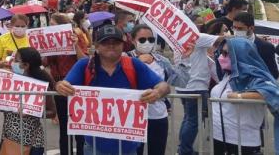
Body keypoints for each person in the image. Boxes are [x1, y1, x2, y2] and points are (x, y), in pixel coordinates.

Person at [56, 25, 170, 155]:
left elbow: (164, 86)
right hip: (94, 146)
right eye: (105, 42)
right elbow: (65, 83)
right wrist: (60, 86)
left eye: (116, 42)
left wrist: (158, 92)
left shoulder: (134, 64)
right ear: (97, 47)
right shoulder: (85, 65)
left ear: (122, 45)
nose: (111, 46)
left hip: (128, 147)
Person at [128, 25, 187, 155]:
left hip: (157, 116)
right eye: (142, 40)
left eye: (151, 39)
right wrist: (136, 62)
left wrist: (185, 58)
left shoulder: (162, 61)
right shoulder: (124, 59)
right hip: (131, 117)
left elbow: (182, 81)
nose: (147, 43)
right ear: (133, 40)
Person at [211, 39, 266, 155]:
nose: (222, 56)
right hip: (219, 137)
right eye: (222, 52)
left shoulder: (255, 76)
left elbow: (269, 93)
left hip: (242, 141)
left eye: (226, 53)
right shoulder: (229, 75)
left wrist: (239, 96)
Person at [176, 28, 225, 155]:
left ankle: (182, 148)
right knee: (193, 121)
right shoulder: (197, 36)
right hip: (196, 87)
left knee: (188, 119)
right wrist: (232, 35)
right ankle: (185, 151)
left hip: (183, 86)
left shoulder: (177, 38)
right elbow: (220, 39)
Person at [0, 47, 56, 155]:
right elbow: (1, 107)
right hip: (9, 138)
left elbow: (52, 112)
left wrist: (31, 112)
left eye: (16, 60)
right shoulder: (9, 81)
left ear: (26, 65)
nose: (13, 62)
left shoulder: (40, 85)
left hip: (33, 142)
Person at [43, 13, 86, 155]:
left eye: (53, 24)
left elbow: (84, 61)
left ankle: (81, 152)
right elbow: (44, 63)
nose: (51, 27)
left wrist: (75, 46)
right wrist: (41, 50)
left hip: (76, 86)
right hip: (59, 86)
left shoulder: (76, 36)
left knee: (79, 125)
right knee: (64, 126)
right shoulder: (51, 40)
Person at [232, 12, 279, 79]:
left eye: (240, 29)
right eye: (234, 28)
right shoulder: (229, 45)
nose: (236, 31)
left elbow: (273, 73)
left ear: (251, 28)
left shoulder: (265, 47)